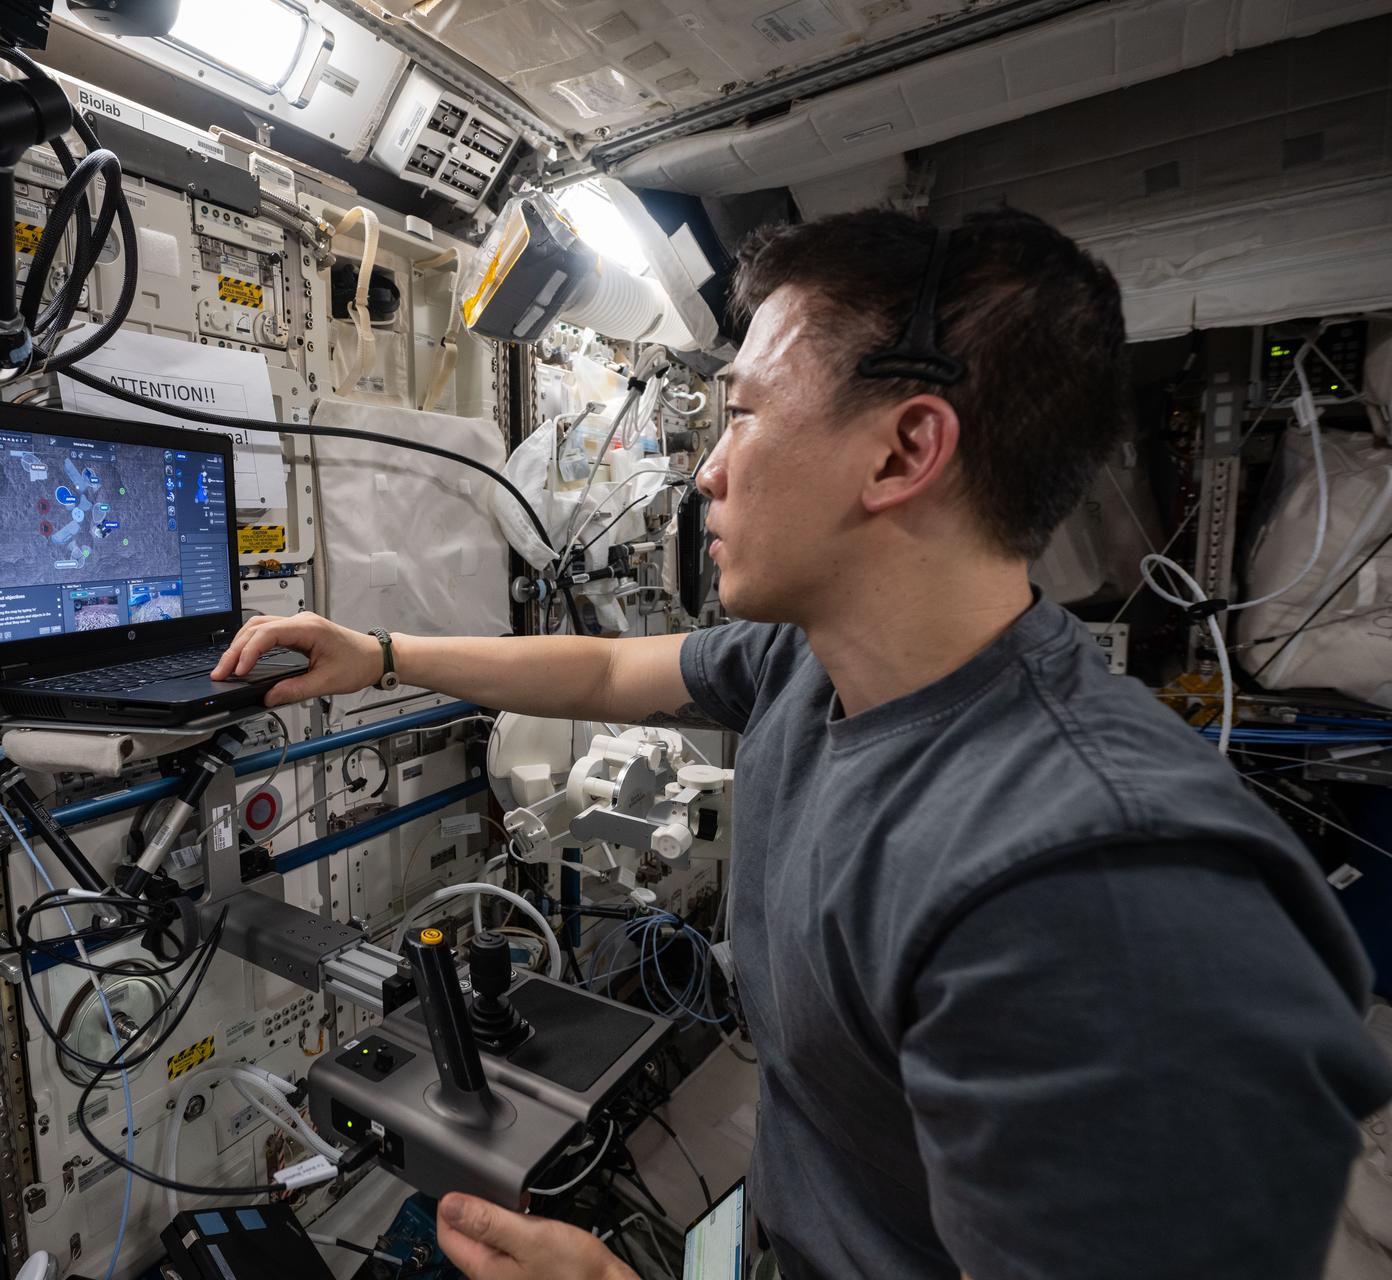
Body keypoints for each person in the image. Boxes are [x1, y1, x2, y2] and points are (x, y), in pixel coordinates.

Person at [211, 207, 1392, 1279]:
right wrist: (382, 650)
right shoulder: (811, 660)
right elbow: (610, 671)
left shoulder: (1093, 891)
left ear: (902, 450)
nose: (708, 472)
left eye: (741, 414)